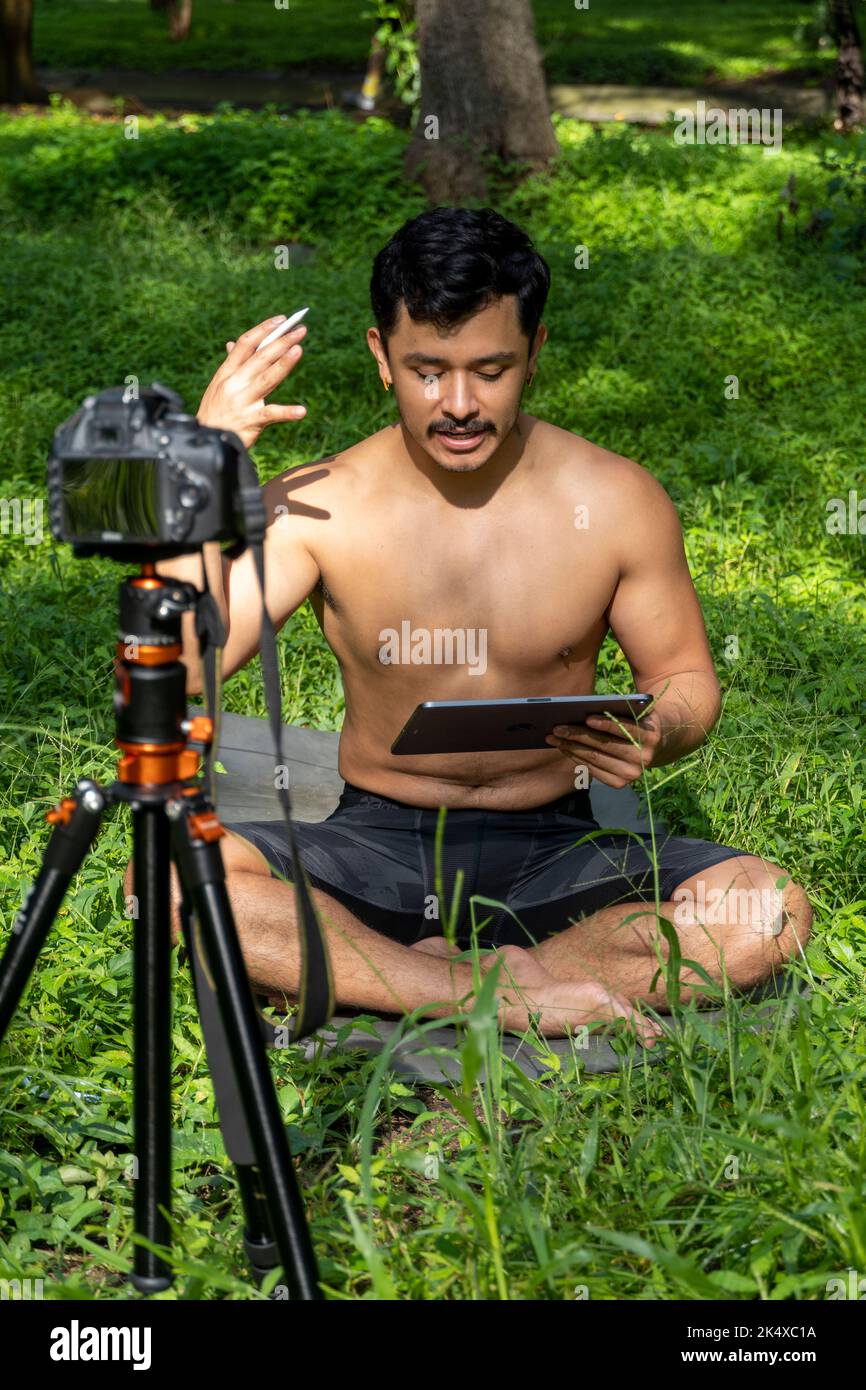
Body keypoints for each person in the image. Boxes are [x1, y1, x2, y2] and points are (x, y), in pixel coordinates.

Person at [133, 207, 811, 1044]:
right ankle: (490, 992)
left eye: (491, 371)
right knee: (166, 878)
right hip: (380, 838)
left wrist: (658, 729)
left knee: (766, 912)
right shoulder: (320, 503)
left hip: (558, 841)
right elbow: (177, 669)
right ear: (381, 356)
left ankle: (436, 975)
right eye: (427, 371)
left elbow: (685, 678)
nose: (458, 405)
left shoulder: (616, 499)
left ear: (535, 352)